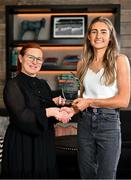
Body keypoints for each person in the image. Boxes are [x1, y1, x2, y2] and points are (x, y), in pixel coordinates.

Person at [63, 16, 130, 179]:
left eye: (103, 32)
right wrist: (71, 110)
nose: (98, 36)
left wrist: (90, 102)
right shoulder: (82, 64)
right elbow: (81, 98)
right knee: (86, 175)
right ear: (88, 36)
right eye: (94, 31)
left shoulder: (120, 60)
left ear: (110, 36)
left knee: (106, 176)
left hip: (109, 122)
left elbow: (123, 100)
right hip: (84, 123)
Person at [1, 42, 71, 179]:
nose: (35, 62)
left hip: (44, 142)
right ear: (21, 58)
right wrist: (50, 111)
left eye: (38, 59)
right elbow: (22, 117)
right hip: (22, 144)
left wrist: (61, 110)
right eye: (30, 57)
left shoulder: (43, 84)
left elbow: (46, 110)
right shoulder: (13, 85)